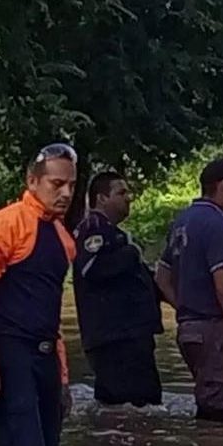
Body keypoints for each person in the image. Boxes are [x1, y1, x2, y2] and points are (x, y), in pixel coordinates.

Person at [0, 143, 77, 446]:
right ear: (32, 181)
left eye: (71, 185)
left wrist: (62, 379)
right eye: (56, 184)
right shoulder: (6, 225)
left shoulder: (62, 237)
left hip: (44, 358)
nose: (66, 193)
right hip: (9, 353)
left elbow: (51, 311)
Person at [154, 158, 223, 421]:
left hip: (190, 331)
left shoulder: (183, 220)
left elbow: (161, 276)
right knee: (216, 418)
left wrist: (185, 308)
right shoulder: (217, 224)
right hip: (215, 332)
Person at [73, 172, 163, 407]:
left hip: (129, 337)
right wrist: (131, 254)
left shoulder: (115, 234)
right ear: (101, 198)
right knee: (134, 408)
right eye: (121, 193)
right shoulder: (94, 228)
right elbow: (91, 269)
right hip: (115, 341)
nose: (128, 198)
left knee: (136, 408)